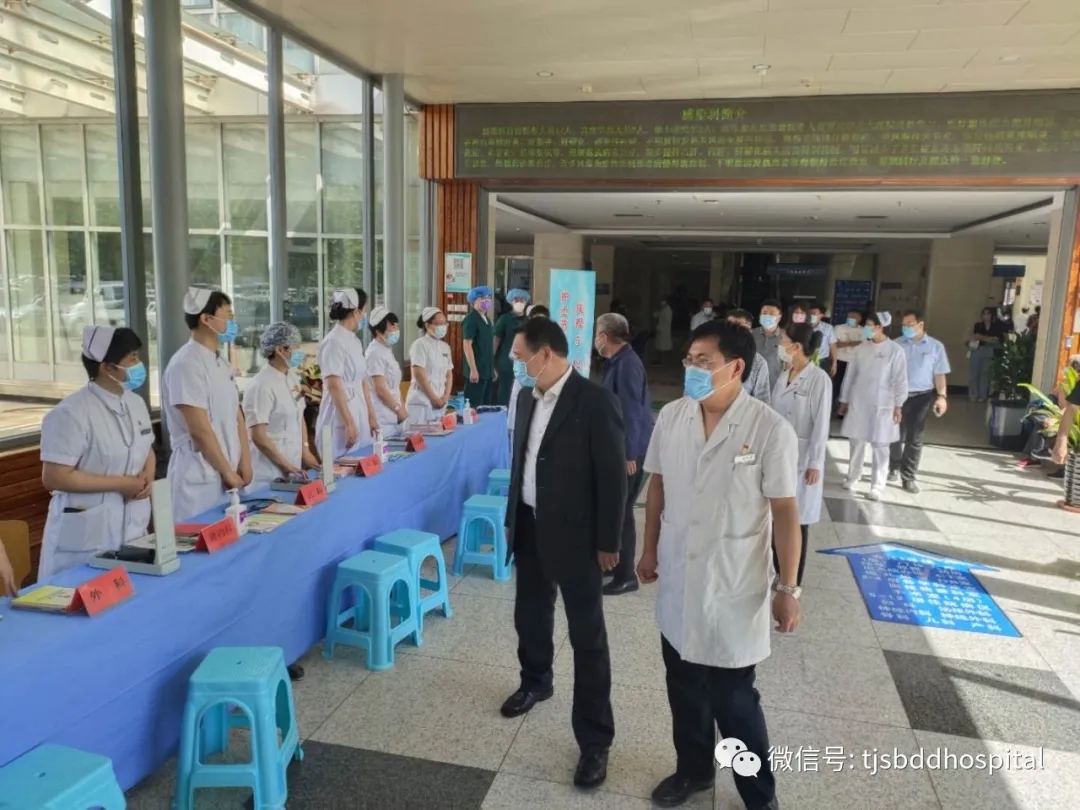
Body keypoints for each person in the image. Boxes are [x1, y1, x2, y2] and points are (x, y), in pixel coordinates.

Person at [637, 319, 800, 810]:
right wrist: (648, 549)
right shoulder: (672, 417)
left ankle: (759, 795)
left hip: (734, 584)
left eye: (703, 361)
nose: (691, 368)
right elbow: (657, 485)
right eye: (689, 359)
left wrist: (788, 588)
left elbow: (785, 512)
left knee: (735, 703)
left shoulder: (769, 428)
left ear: (736, 367)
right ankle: (693, 772)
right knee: (684, 688)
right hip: (678, 575)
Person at [501, 317, 627, 790]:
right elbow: (521, 460)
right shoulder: (525, 396)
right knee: (530, 613)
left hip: (577, 537)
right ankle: (536, 680)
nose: (514, 365)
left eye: (519, 357)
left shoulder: (593, 401)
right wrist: (513, 517)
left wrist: (609, 542)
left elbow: (613, 478)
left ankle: (595, 740)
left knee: (586, 636)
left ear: (545, 354)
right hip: (529, 524)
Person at [39, 325, 155, 580]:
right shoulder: (71, 413)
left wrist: (148, 474)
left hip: (133, 526)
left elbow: (146, 447)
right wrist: (122, 484)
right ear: (107, 367)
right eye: (132, 358)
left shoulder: (135, 403)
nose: (139, 365)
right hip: (86, 537)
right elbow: (55, 477)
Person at [162, 288, 251, 522]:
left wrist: (245, 461)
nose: (232, 321)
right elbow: (199, 429)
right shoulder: (185, 364)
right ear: (206, 319)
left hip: (229, 471)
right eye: (228, 315)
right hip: (198, 475)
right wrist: (226, 470)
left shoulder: (221, 363)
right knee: (200, 536)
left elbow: (237, 416)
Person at [595, 312, 654, 596]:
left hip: (629, 451)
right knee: (615, 509)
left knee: (622, 511)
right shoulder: (616, 361)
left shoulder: (628, 365)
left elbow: (632, 413)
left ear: (603, 337)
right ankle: (613, 565)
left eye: (596, 334)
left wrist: (629, 455)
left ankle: (626, 575)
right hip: (619, 447)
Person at [771, 323, 831, 586]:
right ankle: (776, 570)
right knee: (777, 517)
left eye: (783, 341)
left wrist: (815, 462)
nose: (780, 345)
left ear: (796, 347)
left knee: (798, 521)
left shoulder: (819, 379)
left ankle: (793, 579)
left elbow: (821, 424)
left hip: (803, 459)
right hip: (778, 455)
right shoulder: (784, 374)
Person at [242, 322, 319, 493]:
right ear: (279, 350)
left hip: (293, 465)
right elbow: (258, 435)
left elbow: (299, 416)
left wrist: (305, 450)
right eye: (295, 347)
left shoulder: (292, 378)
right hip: (268, 471)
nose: (299, 352)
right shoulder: (260, 386)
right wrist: (286, 466)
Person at [839, 312, 908, 501]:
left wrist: (898, 405)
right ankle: (853, 476)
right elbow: (850, 376)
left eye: (870, 325)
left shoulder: (895, 350)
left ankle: (877, 485)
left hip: (883, 404)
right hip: (859, 401)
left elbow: (901, 380)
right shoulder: (862, 348)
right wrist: (844, 400)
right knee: (856, 441)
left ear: (880, 327)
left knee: (880, 445)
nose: (867, 328)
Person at [315, 289, 379, 460]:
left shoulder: (355, 341)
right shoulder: (333, 341)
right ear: (356, 312)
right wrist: (349, 422)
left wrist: (371, 415)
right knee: (340, 464)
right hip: (339, 415)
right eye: (364, 310)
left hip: (359, 408)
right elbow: (333, 385)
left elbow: (362, 381)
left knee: (362, 460)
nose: (365, 315)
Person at [891, 309, 950, 493]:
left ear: (920, 325)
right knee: (894, 435)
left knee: (915, 438)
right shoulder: (896, 344)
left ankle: (908, 477)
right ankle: (893, 465)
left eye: (910, 324)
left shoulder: (935, 346)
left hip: (922, 396)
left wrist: (942, 397)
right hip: (898, 396)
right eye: (904, 325)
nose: (906, 328)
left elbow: (939, 374)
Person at [508, 305, 548, 449]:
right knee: (520, 432)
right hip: (525, 390)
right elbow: (521, 374)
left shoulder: (549, 341)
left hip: (543, 392)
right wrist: (540, 383)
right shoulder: (522, 339)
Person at [407, 307, 454, 424]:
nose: (443, 327)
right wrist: (433, 398)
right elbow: (419, 374)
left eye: (445, 323)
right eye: (439, 324)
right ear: (428, 325)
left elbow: (449, 374)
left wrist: (446, 396)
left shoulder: (445, 347)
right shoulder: (419, 345)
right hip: (422, 403)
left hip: (441, 403)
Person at [366, 307, 408, 438]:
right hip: (382, 418)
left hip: (394, 416)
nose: (396, 330)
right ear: (379, 331)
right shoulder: (374, 353)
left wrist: (401, 408)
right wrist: (398, 409)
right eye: (392, 326)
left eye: (397, 326)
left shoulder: (386, 350)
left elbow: (394, 386)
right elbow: (380, 389)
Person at [494, 288, 530, 406]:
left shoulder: (529, 320)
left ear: (526, 302)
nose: (519, 302)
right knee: (505, 391)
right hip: (506, 363)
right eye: (516, 300)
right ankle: (503, 413)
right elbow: (496, 341)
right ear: (511, 302)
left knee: (523, 393)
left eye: (522, 300)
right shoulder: (504, 319)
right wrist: (491, 362)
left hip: (525, 364)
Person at [727, 309, 771, 404]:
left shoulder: (758, 363)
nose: (734, 332)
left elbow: (762, 401)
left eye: (740, 328)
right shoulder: (713, 355)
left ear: (749, 331)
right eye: (730, 327)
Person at [462, 285, 495, 407]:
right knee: (474, 406)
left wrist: (492, 369)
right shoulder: (471, 319)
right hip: (476, 371)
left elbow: (487, 346)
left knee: (485, 406)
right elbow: (467, 345)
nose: (486, 300)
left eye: (488, 297)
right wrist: (473, 369)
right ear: (473, 301)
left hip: (486, 370)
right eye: (482, 298)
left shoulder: (487, 320)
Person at [967, 307, 1005, 403]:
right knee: (974, 373)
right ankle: (973, 395)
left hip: (990, 350)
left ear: (992, 315)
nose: (986, 316)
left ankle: (982, 395)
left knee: (985, 374)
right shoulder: (978, 325)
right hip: (978, 349)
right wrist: (988, 339)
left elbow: (997, 340)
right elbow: (976, 336)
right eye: (984, 314)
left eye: (988, 314)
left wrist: (984, 338)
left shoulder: (996, 326)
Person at [833, 309, 865, 404]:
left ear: (859, 319)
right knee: (836, 384)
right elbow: (836, 344)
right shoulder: (839, 328)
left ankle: (844, 405)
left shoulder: (863, 330)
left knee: (850, 385)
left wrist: (845, 343)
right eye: (849, 317)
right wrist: (852, 343)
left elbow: (863, 345)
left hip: (855, 361)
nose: (850, 319)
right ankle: (833, 404)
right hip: (840, 359)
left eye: (853, 317)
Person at [753, 298, 785, 390]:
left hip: (776, 386)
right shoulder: (751, 334)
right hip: (753, 386)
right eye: (764, 313)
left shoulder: (785, 337)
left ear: (779, 317)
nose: (767, 316)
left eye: (772, 314)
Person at [808, 302, 838, 377]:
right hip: (806, 360)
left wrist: (834, 363)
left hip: (822, 361)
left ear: (821, 315)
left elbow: (833, 346)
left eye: (814, 313)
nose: (811, 315)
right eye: (810, 313)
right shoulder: (803, 327)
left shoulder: (827, 328)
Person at [653, 297, 674, 365]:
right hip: (660, 329)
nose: (661, 303)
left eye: (662, 301)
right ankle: (660, 361)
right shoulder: (662, 309)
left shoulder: (668, 310)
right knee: (659, 346)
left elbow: (667, 320)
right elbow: (655, 315)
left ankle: (666, 361)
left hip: (665, 330)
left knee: (665, 346)